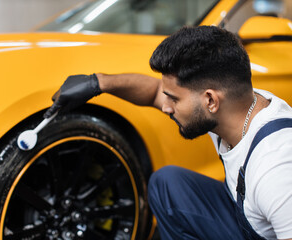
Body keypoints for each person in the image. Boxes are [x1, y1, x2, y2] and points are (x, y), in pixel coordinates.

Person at [46, 26, 292, 240]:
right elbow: (154, 92)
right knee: (168, 184)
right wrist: (97, 83)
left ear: (210, 101)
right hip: (247, 216)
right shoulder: (235, 104)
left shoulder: (276, 169)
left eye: (174, 99)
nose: (165, 107)